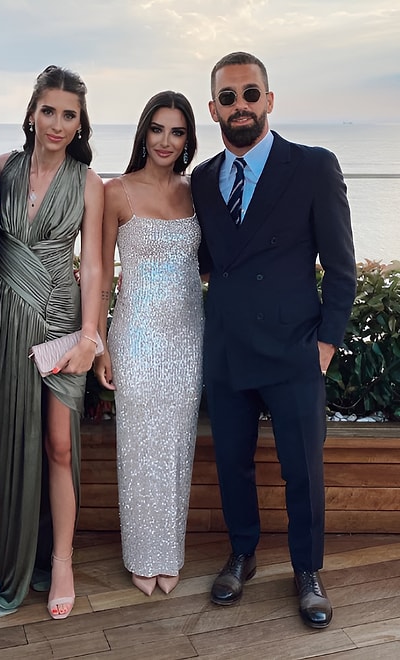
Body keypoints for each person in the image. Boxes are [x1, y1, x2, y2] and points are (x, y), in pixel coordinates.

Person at [190, 52, 356, 628]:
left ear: (269, 100)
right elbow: (209, 258)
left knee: (302, 469)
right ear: (214, 108)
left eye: (250, 93)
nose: (240, 106)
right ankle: (242, 553)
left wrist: (326, 344)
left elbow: (342, 267)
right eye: (228, 97)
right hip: (227, 347)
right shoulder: (203, 179)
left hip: (294, 349)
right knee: (232, 462)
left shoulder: (313, 166)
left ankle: (307, 570)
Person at [0, 65, 103, 622]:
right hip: (7, 318)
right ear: (31, 114)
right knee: (11, 441)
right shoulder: (2, 168)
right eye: (48, 110)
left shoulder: (89, 182)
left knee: (59, 445)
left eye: (69, 115)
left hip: (61, 322)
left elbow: (94, 267)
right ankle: (17, 558)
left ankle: (62, 560)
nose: (57, 123)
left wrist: (91, 337)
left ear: (79, 124)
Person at [95, 91, 204, 596]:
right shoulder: (115, 191)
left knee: (177, 446)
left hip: (188, 338)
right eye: (158, 129)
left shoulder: (196, 190)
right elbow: (99, 273)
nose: (166, 141)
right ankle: (142, 554)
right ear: (144, 132)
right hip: (135, 337)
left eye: (177, 132)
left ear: (188, 140)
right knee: (140, 447)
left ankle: (169, 552)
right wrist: (100, 342)